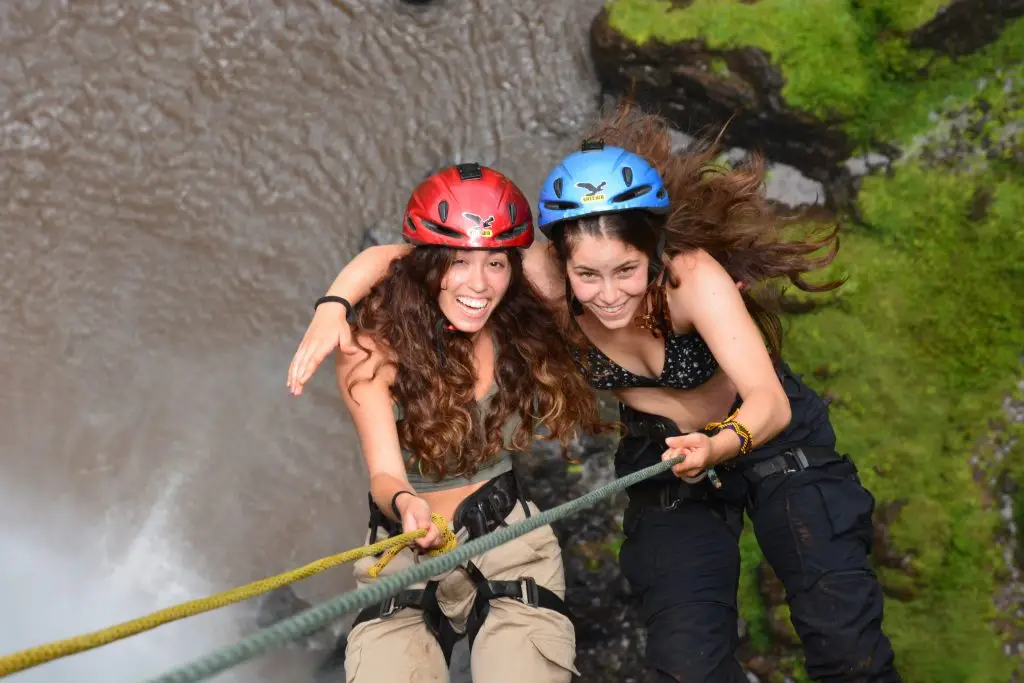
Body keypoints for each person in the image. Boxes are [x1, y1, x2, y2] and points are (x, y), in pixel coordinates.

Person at [288, 106, 902, 683]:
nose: (608, 294)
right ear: (560, 263)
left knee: (844, 640)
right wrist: (335, 303)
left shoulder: (692, 278)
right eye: (588, 274)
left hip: (766, 440)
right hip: (663, 461)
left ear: (653, 252)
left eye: (627, 271)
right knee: (685, 665)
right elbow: (431, 251)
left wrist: (720, 445)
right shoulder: (543, 281)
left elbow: (769, 401)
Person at [311, 163, 606, 683]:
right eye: (458, 263)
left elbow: (556, 258)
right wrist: (406, 505)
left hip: (511, 539)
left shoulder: (518, 320)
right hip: (403, 550)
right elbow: (385, 475)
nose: (480, 284)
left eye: (496, 264)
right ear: (427, 266)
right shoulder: (367, 351)